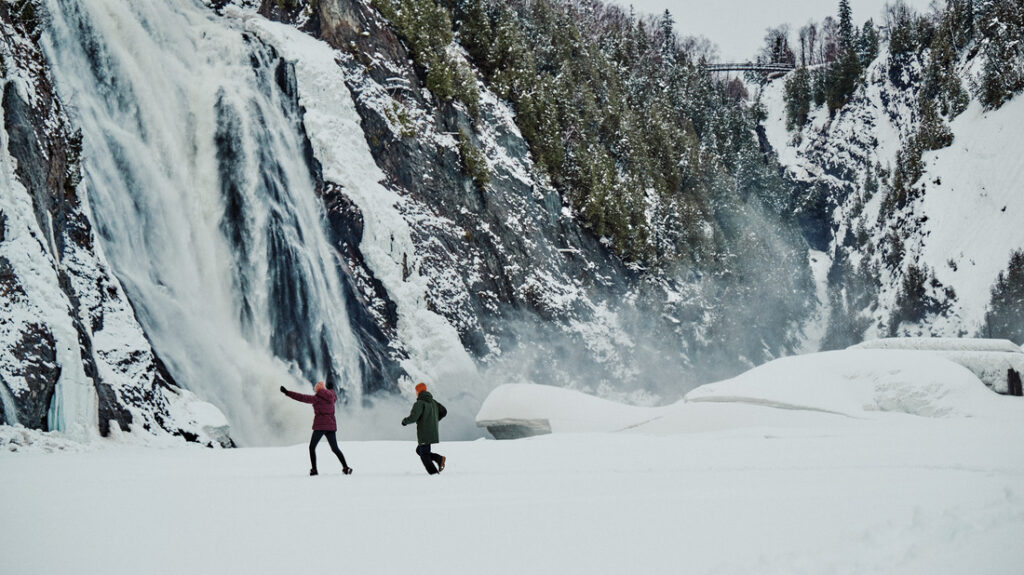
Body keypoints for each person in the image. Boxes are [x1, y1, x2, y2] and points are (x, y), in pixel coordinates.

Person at [281, 381, 353, 476]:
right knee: (335, 448)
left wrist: (287, 392)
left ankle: (314, 470)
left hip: (320, 426)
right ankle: (346, 467)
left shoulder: (316, 399)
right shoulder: (332, 397)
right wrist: (331, 388)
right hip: (331, 426)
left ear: (317, 390)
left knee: (312, 447)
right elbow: (332, 392)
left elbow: (301, 397)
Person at [401, 382, 447, 475]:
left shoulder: (420, 403)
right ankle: (439, 459)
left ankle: (433, 474)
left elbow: (414, 417)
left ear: (418, 391)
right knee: (420, 450)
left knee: (424, 456)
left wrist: (405, 421)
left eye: (416, 391)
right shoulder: (433, 402)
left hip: (424, 432)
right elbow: (444, 411)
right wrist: (435, 420)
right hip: (432, 431)